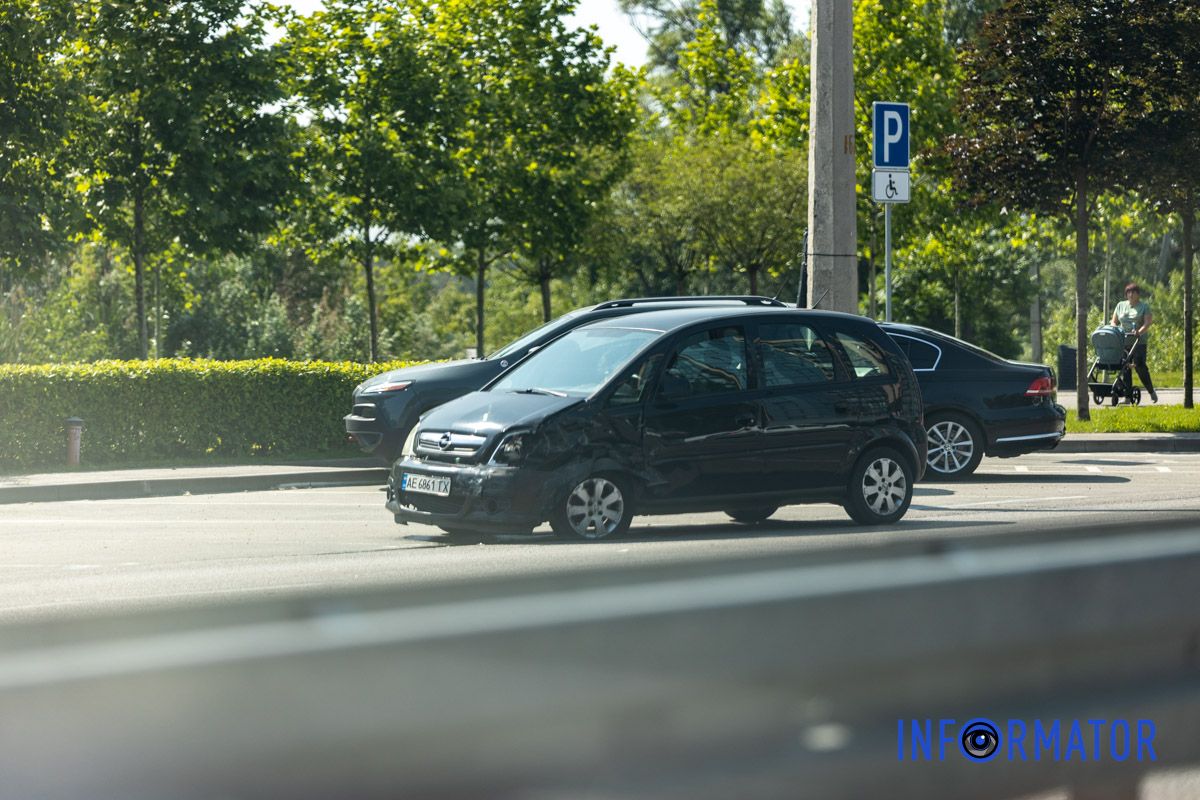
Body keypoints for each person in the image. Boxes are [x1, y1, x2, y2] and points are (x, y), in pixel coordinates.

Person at [1111, 282, 1158, 403]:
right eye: (1129, 292)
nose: (1131, 295)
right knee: (1125, 367)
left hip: (1138, 342)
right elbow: (1114, 321)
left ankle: (1151, 391)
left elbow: (1147, 323)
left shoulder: (1144, 307)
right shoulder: (1120, 305)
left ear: (1138, 294)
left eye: (1133, 292)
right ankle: (1127, 396)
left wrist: (1139, 332)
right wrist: (1115, 329)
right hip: (1124, 341)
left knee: (1140, 367)